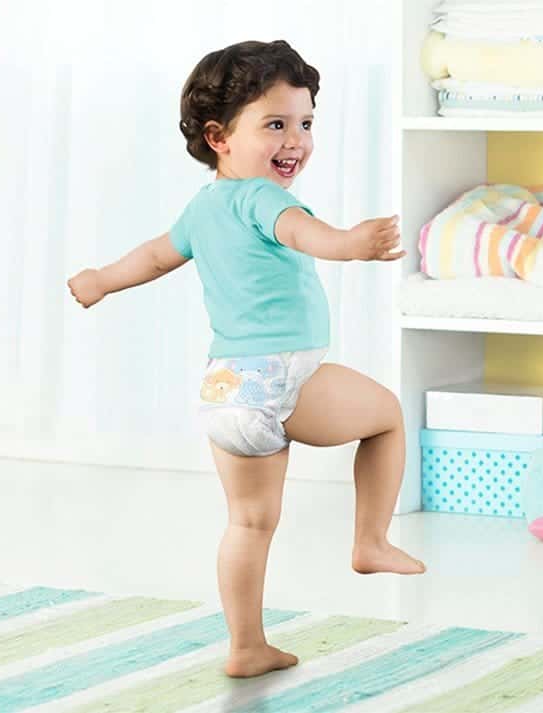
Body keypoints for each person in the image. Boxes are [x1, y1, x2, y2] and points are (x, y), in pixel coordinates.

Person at [67, 39, 426, 680]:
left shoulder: (201, 209)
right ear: (219, 136)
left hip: (225, 387)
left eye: (306, 123)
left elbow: (151, 256)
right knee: (389, 416)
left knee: (249, 524)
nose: (296, 140)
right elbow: (304, 233)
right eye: (276, 124)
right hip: (282, 376)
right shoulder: (263, 198)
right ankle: (370, 540)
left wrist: (99, 280)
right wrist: (351, 244)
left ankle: (246, 645)